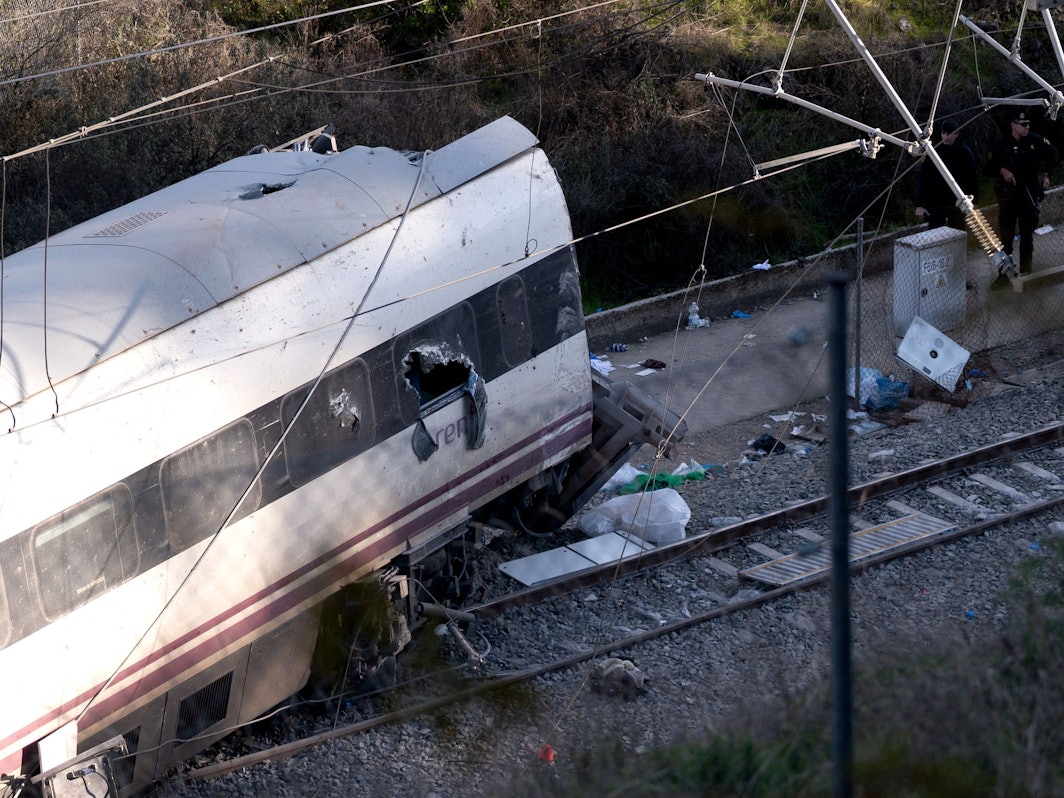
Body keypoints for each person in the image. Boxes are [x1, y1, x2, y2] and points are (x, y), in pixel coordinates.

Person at [984, 110, 1058, 275]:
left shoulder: (1035, 141)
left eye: (1028, 124)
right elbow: (988, 168)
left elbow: (1053, 154)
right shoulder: (1001, 144)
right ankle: (1005, 273)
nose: (1027, 127)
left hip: (1028, 194)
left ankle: (1026, 271)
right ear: (1013, 125)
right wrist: (1002, 170)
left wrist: (1047, 174)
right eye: (1023, 124)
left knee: (1027, 236)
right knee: (1006, 237)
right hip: (1008, 196)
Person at [915, 118, 978, 230]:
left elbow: (972, 178)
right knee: (934, 232)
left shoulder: (964, 152)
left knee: (958, 232)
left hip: (957, 201)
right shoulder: (934, 151)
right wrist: (920, 204)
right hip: (937, 201)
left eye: (949, 134)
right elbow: (924, 179)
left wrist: (975, 201)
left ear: (956, 134)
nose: (945, 137)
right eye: (943, 133)